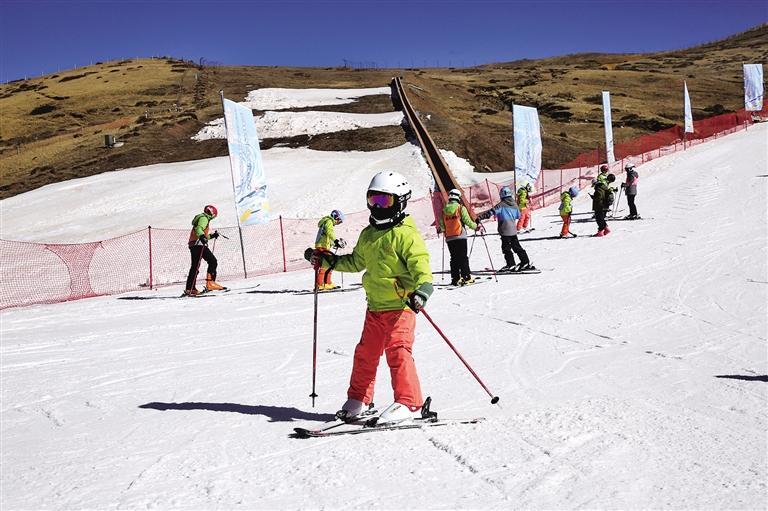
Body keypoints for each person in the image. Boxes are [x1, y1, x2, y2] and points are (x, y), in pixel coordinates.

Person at [304, 171, 433, 425]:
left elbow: (421, 265)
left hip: (401, 306)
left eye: (384, 201)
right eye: (373, 200)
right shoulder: (368, 234)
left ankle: (410, 402)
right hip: (375, 307)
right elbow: (355, 262)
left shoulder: (406, 235)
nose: (377, 206)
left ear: (400, 202)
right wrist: (328, 261)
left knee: (398, 352)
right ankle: (359, 399)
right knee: (365, 354)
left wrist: (423, 290)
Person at [476, 186, 534, 272]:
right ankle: (525, 262)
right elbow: (518, 215)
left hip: (504, 229)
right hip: (513, 230)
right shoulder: (514, 205)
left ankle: (511, 264)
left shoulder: (501, 205)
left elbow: (491, 212)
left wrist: (480, 218)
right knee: (516, 247)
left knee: (506, 248)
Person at [440, 188, 479, 286]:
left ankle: (455, 278)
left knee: (454, 258)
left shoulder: (444, 210)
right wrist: (475, 227)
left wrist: (445, 232)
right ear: (458, 197)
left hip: (449, 237)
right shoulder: (460, 208)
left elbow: (442, 225)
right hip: (460, 235)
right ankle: (466, 277)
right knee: (463, 257)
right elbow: (467, 220)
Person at [184, 204, 225, 296]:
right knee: (212, 261)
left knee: (195, 267)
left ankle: (190, 288)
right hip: (198, 244)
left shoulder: (201, 218)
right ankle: (210, 283)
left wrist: (211, 236)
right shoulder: (204, 218)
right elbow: (199, 229)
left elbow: (200, 232)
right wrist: (202, 236)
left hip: (194, 244)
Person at [314, 209, 346, 290]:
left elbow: (327, 236)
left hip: (324, 246)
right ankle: (320, 284)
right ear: (336, 217)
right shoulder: (329, 221)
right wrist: (336, 241)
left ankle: (327, 283)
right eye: (339, 221)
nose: (338, 223)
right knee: (325, 265)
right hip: (322, 246)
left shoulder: (327, 222)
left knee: (331, 264)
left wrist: (335, 244)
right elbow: (329, 232)